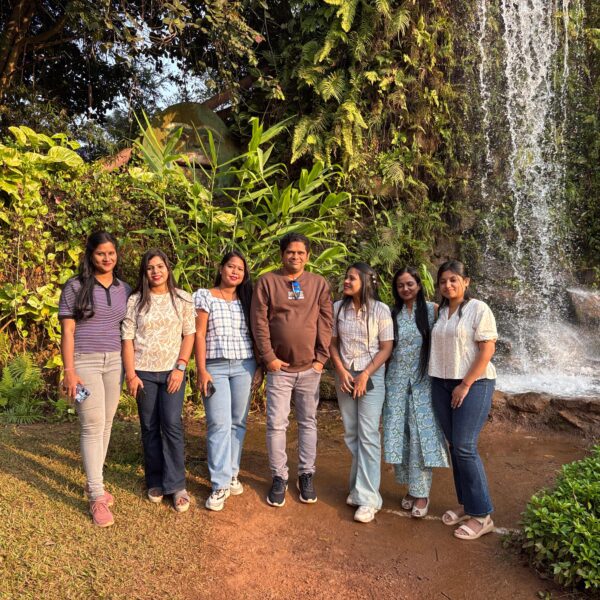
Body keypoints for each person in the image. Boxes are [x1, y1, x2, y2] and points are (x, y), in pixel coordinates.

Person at [251, 232, 333, 507]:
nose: (295, 256)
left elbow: (326, 321)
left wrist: (321, 359)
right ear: (282, 255)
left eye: (300, 252)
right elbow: (259, 322)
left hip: (310, 369)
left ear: (307, 256)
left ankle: (306, 474)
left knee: (308, 422)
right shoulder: (267, 282)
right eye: (290, 252)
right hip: (279, 370)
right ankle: (279, 476)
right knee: (276, 424)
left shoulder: (318, 284)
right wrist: (269, 358)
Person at [59, 231, 131, 527]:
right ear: (90, 255)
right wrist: (69, 371)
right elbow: (68, 331)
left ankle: (94, 483)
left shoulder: (124, 288)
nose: (107, 258)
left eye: (111, 253)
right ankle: (97, 496)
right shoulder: (74, 286)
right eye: (101, 253)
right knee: (92, 425)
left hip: (115, 363)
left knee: (107, 422)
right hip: (84, 363)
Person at [121, 249, 195, 513]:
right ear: (145, 272)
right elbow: (127, 339)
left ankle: (176, 485)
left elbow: (189, 335)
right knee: (149, 426)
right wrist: (131, 375)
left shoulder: (182, 298)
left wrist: (180, 367)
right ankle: (154, 480)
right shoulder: (136, 300)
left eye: (160, 266)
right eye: (150, 267)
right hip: (143, 373)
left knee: (172, 424)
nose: (156, 272)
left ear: (168, 268)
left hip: (172, 372)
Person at [429, 260, 497, 540]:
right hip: (441, 383)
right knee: (455, 446)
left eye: (454, 279)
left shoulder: (478, 309)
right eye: (443, 281)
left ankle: (482, 515)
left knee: (465, 447)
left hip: (474, 383)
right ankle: (467, 505)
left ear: (466, 281)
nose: (448, 285)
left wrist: (465, 384)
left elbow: (487, 350)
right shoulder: (440, 311)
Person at [193, 250, 259, 512]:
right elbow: (199, 334)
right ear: (221, 269)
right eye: (231, 266)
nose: (235, 272)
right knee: (218, 423)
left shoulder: (248, 299)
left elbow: (256, 332)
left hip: (245, 365)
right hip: (215, 367)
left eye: (240, 269)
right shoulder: (205, 295)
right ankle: (219, 483)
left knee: (238, 421)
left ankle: (232, 472)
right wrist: (201, 369)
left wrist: (259, 367)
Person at [329, 263, 394, 523]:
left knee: (368, 434)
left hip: (371, 375)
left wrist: (365, 374)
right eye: (346, 277)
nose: (346, 281)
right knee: (352, 432)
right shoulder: (337, 308)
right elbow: (332, 343)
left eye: (352, 278)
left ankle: (368, 499)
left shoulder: (381, 310)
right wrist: (341, 370)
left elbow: (386, 347)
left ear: (366, 282)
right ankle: (359, 489)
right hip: (345, 375)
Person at [383, 267, 449, 519]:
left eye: (410, 284)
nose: (405, 289)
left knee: (421, 437)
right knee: (400, 435)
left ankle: (421, 493)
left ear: (419, 285)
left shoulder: (433, 311)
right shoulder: (392, 314)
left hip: (424, 383)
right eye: (400, 285)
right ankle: (411, 488)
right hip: (396, 382)